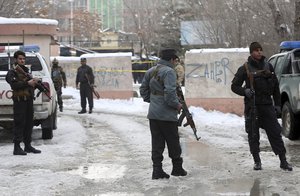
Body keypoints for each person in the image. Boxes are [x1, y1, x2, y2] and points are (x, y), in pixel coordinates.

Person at [231, 42, 292, 171]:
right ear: (251, 52)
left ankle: (283, 160)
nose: (259, 52)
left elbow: (275, 88)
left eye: (260, 50)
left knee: (275, 133)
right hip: (252, 106)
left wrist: (277, 105)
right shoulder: (245, 68)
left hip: (267, 106)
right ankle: (257, 161)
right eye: (256, 50)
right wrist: (245, 91)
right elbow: (234, 86)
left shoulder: (268, 66)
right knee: (253, 134)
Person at [140, 48, 187, 179]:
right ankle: (177, 168)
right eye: (175, 60)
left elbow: (143, 90)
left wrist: (154, 101)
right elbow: (170, 95)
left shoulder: (151, 71)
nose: (175, 62)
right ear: (171, 59)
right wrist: (177, 105)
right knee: (173, 141)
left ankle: (157, 170)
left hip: (153, 114)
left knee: (157, 143)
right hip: (167, 115)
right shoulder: (170, 72)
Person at [5, 50, 41, 155]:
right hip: (20, 102)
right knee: (19, 123)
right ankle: (17, 147)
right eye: (20, 59)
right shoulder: (12, 72)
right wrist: (27, 82)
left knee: (29, 123)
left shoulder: (26, 71)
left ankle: (28, 146)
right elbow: (14, 85)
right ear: (15, 59)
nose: (22, 60)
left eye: (23, 59)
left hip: (28, 101)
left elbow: (29, 85)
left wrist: (35, 83)